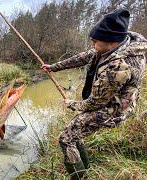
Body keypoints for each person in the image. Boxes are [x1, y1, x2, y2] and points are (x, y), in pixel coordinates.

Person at [41, 8, 147, 179]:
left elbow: (95, 103)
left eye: (95, 41)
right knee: (75, 132)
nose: (93, 45)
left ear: (111, 41)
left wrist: (73, 104)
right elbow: (84, 57)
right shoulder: (113, 45)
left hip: (114, 110)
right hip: (104, 100)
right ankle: (86, 168)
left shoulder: (120, 66)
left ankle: (80, 176)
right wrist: (53, 67)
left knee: (66, 138)